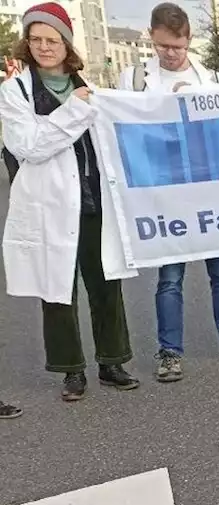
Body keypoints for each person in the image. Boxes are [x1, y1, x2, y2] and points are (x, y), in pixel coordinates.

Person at [0, 2, 140, 402]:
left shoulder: (89, 86)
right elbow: (29, 145)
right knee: (57, 288)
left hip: (94, 200)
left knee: (105, 282)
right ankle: (71, 370)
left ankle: (112, 361)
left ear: (66, 43)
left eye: (53, 39)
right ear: (27, 43)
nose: (45, 47)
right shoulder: (16, 92)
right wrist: (76, 110)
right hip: (49, 205)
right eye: (36, 39)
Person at [123, 2, 219, 382]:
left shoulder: (213, 80)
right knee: (170, 277)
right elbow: (126, 131)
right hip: (165, 195)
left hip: (209, 193)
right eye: (163, 46)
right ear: (153, 38)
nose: (170, 54)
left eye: (178, 47)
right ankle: (169, 351)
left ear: (189, 41)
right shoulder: (134, 79)